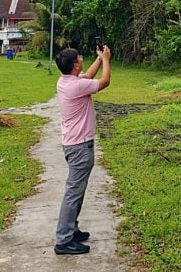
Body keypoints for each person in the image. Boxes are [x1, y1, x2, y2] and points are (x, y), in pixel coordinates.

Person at [53, 44, 111, 256]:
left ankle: (71, 229)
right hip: (80, 147)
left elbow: (87, 76)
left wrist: (98, 59)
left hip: (73, 145)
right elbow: (104, 82)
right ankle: (63, 240)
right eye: (80, 59)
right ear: (75, 65)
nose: (82, 61)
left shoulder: (66, 81)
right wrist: (106, 59)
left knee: (76, 192)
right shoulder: (76, 86)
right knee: (73, 193)